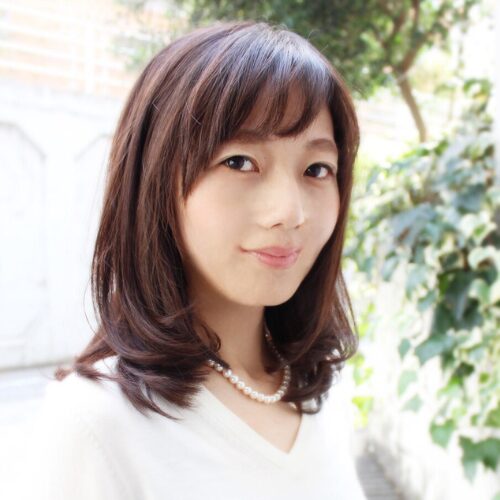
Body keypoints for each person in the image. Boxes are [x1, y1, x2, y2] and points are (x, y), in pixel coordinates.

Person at [28, 20, 367, 500]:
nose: (290, 213)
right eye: (240, 162)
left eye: (316, 169)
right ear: (156, 179)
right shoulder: (97, 423)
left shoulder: (322, 388)